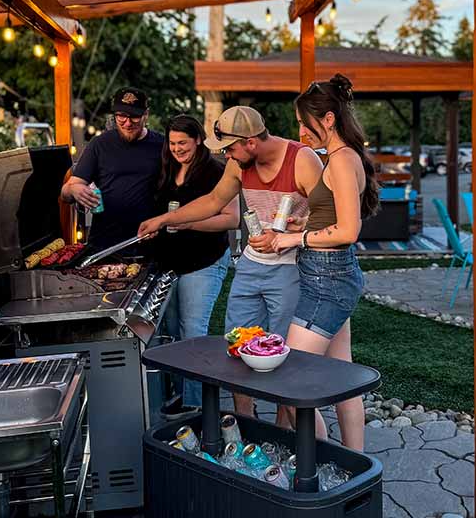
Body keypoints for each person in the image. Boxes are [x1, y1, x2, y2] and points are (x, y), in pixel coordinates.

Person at [138, 105, 323, 421]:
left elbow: (328, 217)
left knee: (281, 352)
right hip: (252, 265)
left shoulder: (302, 160)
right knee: (237, 344)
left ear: (250, 141)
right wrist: (166, 218)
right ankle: (245, 425)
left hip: (292, 267)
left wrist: (295, 228)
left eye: (230, 149)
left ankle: (282, 428)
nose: (227, 156)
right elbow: (213, 201)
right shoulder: (239, 165)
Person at [264, 74, 379, 451]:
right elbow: (333, 217)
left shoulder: (343, 161)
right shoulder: (339, 158)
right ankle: (356, 463)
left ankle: (322, 460)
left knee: (287, 379)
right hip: (325, 275)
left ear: (328, 119)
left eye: (304, 121)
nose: (300, 130)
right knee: (341, 376)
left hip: (329, 279)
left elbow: (348, 230)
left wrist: (292, 238)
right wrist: (305, 223)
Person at [150, 115, 238, 416]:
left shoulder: (215, 170)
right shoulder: (167, 167)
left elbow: (231, 218)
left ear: (198, 140)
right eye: (172, 143)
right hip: (170, 263)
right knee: (172, 331)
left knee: (193, 331)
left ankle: (196, 406)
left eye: (183, 143)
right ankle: (183, 394)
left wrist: (188, 223)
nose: (177, 149)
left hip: (205, 261)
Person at [61, 87, 164, 249]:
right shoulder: (99, 144)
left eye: (135, 117)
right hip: (104, 245)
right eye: (121, 116)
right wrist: (74, 190)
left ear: (146, 114)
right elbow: (65, 192)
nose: (128, 123)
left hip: (148, 242)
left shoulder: (162, 145)